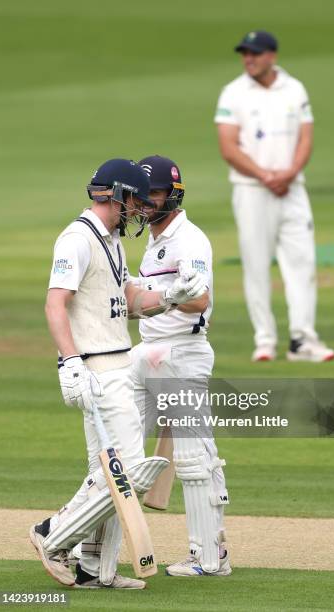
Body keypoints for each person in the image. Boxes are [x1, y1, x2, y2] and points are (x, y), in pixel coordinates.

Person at [29, 158, 207, 589]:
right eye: (136, 200)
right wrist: (70, 362)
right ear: (119, 195)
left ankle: (94, 571)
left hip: (117, 362)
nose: (140, 210)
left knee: (104, 469)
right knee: (126, 470)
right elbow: (55, 304)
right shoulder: (77, 238)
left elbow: (127, 301)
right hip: (96, 368)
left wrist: (169, 297)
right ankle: (52, 532)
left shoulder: (112, 241)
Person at [129, 155, 231, 577]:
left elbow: (199, 299)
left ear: (173, 194)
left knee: (193, 460)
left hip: (182, 354)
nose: (146, 202)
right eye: (141, 194)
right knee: (120, 451)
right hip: (147, 352)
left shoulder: (190, 239)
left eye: (153, 193)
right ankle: (97, 555)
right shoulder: (154, 241)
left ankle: (209, 558)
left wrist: (161, 295)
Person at [215, 30, 334, 363]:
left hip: (293, 188)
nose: (248, 59)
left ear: (272, 55)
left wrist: (289, 173)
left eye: (255, 53)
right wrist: (266, 176)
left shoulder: (294, 89)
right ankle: (264, 339)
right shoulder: (233, 93)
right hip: (252, 190)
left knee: (302, 262)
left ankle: (302, 340)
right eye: (244, 53)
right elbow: (228, 146)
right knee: (255, 263)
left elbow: (306, 139)